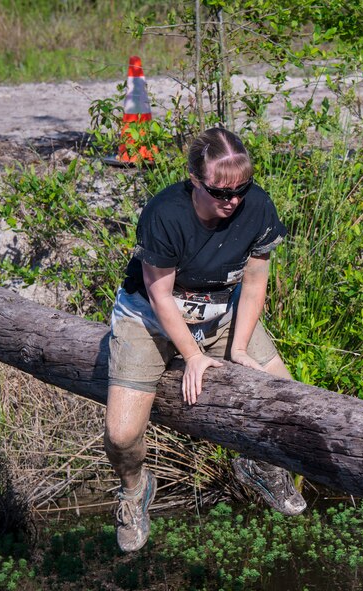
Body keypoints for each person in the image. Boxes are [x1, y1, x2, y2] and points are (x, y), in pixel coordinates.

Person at [104, 127, 306, 552]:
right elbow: (160, 295)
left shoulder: (257, 207)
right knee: (121, 436)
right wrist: (193, 356)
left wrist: (237, 348)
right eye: (220, 192)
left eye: (241, 189)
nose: (232, 201)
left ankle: (258, 463)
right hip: (151, 319)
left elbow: (253, 285)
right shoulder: (165, 214)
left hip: (219, 314)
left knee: (289, 396)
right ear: (195, 181)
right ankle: (134, 489)